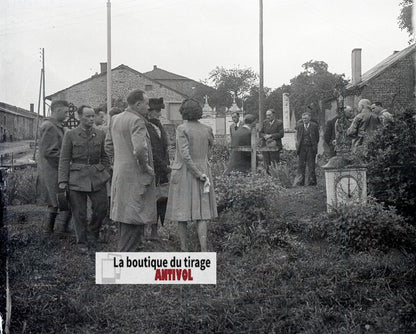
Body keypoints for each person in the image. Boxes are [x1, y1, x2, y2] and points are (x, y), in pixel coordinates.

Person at [105, 89, 157, 252]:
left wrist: (119, 161)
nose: (148, 107)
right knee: (134, 217)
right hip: (136, 176)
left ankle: (129, 257)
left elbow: (108, 145)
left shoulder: (115, 119)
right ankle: (127, 262)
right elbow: (140, 149)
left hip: (121, 174)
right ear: (138, 104)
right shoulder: (137, 121)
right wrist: (145, 167)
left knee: (125, 216)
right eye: (147, 104)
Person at [165, 99, 218, 252]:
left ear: (183, 112)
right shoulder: (207, 129)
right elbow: (210, 147)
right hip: (203, 170)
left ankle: (184, 248)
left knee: (183, 211)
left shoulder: (182, 129)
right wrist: (202, 170)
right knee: (202, 211)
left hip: (185, 172)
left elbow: (185, 155)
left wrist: (196, 173)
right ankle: (204, 249)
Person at [58, 105, 110, 252]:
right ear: (79, 117)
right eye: (88, 116)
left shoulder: (100, 134)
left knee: (101, 208)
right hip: (76, 179)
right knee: (79, 212)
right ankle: (82, 241)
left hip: (97, 178)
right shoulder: (70, 135)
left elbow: (105, 156)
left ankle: (93, 234)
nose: (91, 119)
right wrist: (62, 180)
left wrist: (105, 172)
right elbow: (64, 158)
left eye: (93, 116)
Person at [38, 100, 72, 235]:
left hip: (54, 169)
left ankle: (52, 229)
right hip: (53, 170)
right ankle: (57, 229)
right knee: (61, 199)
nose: (67, 115)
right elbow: (49, 152)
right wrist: (66, 162)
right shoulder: (50, 126)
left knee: (57, 200)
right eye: (65, 112)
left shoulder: (55, 126)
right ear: (57, 111)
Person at [146, 97, 170, 239]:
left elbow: (164, 147)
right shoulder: (146, 126)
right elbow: (152, 151)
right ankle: (152, 231)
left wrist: (166, 165)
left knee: (163, 198)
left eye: (159, 111)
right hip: (153, 167)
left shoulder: (159, 125)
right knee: (153, 199)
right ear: (149, 112)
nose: (159, 114)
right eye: (156, 111)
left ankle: (158, 229)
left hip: (162, 169)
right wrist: (163, 166)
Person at [294, 112, 320, 186]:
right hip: (302, 148)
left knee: (311, 165)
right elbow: (297, 137)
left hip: (311, 148)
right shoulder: (299, 126)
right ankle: (300, 182)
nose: (304, 120)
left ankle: (312, 182)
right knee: (301, 165)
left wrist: (313, 145)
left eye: (305, 118)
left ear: (309, 118)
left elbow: (317, 138)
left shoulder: (314, 126)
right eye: (303, 118)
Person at [259, 109, 284, 173]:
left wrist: (271, 136)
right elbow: (260, 133)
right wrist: (264, 136)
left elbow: (281, 134)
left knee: (274, 163)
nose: (268, 117)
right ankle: (267, 178)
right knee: (266, 163)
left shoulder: (279, 123)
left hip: (275, 146)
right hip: (265, 146)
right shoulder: (265, 122)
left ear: (273, 115)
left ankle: (275, 177)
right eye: (267, 115)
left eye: (269, 115)